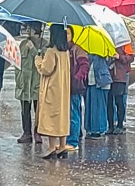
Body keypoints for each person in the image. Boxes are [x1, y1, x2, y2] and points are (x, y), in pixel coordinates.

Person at [35, 25, 71, 159]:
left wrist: (38, 61)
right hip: (63, 89)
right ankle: (62, 146)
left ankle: (51, 147)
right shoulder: (65, 51)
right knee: (62, 116)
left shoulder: (52, 51)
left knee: (52, 117)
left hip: (52, 89)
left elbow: (46, 69)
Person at [15, 23, 43, 144]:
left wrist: (33, 49)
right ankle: (26, 133)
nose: (27, 31)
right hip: (25, 83)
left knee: (38, 110)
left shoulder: (44, 44)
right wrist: (19, 79)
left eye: (30, 28)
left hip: (37, 83)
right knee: (25, 110)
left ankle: (38, 132)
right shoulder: (22, 44)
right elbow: (17, 62)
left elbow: (42, 61)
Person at [65, 29, 90, 151]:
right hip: (65, 86)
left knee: (73, 113)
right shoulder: (64, 49)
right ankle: (76, 134)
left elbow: (85, 65)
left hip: (74, 87)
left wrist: (77, 77)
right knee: (73, 112)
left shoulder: (77, 49)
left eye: (68, 33)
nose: (66, 36)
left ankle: (73, 141)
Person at [107, 44, 133, 134]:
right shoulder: (107, 40)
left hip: (120, 75)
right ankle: (110, 125)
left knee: (119, 101)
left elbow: (131, 58)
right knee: (109, 102)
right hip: (109, 75)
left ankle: (120, 125)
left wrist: (119, 57)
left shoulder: (125, 42)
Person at [84, 54, 111, 139]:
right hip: (91, 83)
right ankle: (91, 128)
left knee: (98, 107)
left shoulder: (105, 53)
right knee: (91, 107)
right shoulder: (90, 55)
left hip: (100, 82)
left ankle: (98, 129)